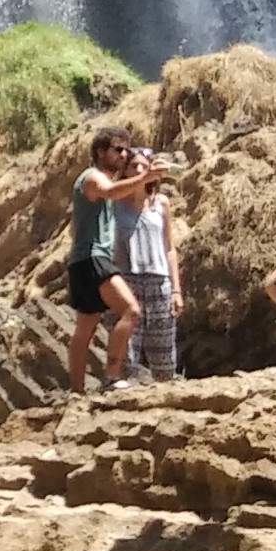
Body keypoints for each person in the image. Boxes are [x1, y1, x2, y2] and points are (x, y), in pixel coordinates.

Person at [64, 129, 155, 395]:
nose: (123, 155)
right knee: (131, 310)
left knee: (85, 327)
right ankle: (112, 376)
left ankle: (76, 392)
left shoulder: (94, 181)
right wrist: (145, 177)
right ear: (100, 152)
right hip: (92, 258)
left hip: (83, 260)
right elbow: (113, 192)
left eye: (126, 150)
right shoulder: (92, 178)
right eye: (117, 149)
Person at [119, 144, 183, 383]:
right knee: (128, 355)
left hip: (160, 282)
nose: (137, 170)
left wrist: (176, 289)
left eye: (143, 167)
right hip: (128, 281)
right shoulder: (115, 204)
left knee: (164, 357)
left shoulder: (161, 204)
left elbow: (169, 248)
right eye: (133, 166)